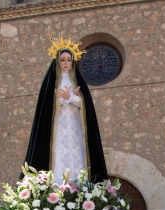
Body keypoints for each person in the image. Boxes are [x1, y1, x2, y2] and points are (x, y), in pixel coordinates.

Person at [23, 37, 107, 183]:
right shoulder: (51, 82)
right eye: (63, 60)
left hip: (75, 128)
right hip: (58, 129)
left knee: (78, 156)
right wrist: (62, 99)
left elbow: (86, 105)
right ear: (57, 61)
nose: (66, 63)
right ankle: (58, 189)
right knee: (58, 158)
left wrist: (72, 98)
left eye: (69, 59)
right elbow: (46, 107)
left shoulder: (78, 82)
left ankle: (79, 188)